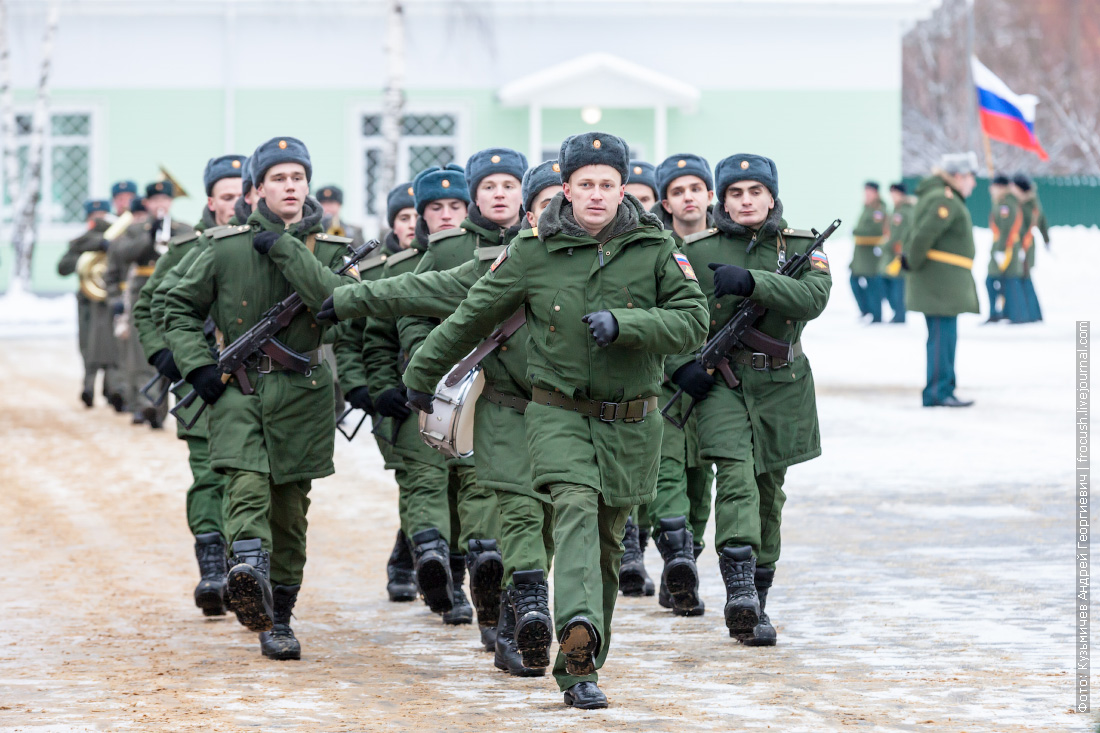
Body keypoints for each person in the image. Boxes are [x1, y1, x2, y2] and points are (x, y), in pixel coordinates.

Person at [398, 132, 708, 708]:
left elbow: (693, 321)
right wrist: (423, 375)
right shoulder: (533, 251)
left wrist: (628, 325)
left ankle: (587, 646)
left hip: (633, 423)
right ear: (565, 189)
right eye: (584, 184)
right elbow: (472, 316)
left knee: (609, 544)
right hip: (557, 414)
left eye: (607, 185)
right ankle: (579, 662)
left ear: (623, 189)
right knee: (573, 515)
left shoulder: (656, 249)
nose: (596, 195)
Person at [320, 159, 568, 677]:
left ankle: (506, 601)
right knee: (506, 510)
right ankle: (510, 614)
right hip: (501, 405)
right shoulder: (503, 260)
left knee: (545, 521)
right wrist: (348, 301)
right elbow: (418, 296)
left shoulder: (603, 260)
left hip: (569, 419)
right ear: (528, 214)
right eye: (541, 206)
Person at [164, 136, 358, 660]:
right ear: (256, 190)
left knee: (291, 513)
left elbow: (336, 306)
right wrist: (198, 364)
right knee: (246, 486)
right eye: (278, 178)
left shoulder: (335, 255)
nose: (290, 186)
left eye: (298, 177)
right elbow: (174, 305)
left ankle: (281, 618)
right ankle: (248, 573)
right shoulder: (225, 248)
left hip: (304, 393)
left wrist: (288, 249)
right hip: (239, 390)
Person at [669, 154, 831, 647]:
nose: (745, 201)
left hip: (782, 386)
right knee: (735, 474)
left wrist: (755, 282)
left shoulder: (802, 247)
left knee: (768, 491)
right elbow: (670, 310)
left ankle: (758, 600)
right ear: (722, 199)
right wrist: (678, 365)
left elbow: (814, 300)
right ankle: (738, 591)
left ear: (771, 196)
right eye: (735, 193)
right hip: (721, 384)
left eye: (754, 192)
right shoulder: (695, 250)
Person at [399, 148, 529, 643]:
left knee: (521, 500)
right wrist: (424, 360)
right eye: (489, 186)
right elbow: (412, 307)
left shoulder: (544, 243)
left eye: (509, 185)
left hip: (527, 395)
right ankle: (492, 612)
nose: (499, 194)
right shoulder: (450, 249)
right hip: (466, 391)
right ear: (474, 195)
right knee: (478, 491)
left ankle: (511, 601)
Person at [132, 154, 245, 618]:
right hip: (200, 380)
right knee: (207, 473)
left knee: (250, 477)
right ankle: (214, 567)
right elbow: (148, 308)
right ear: (210, 202)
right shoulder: (184, 250)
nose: (236, 204)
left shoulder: (266, 244)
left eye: (243, 195)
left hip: (253, 381)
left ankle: (247, 565)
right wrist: (166, 354)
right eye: (227, 197)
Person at [360, 165, 468, 620]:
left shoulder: (494, 260)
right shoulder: (399, 270)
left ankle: (453, 579)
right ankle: (428, 559)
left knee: (466, 492)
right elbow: (374, 340)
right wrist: (379, 387)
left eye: (455, 206)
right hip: (415, 400)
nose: (445, 215)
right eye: (434, 209)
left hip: (475, 401)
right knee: (425, 483)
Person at [332, 181, 420, 604]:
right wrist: (359, 387)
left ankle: (410, 555)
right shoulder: (373, 275)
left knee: (449, 487)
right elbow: (350, 340)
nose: (412, 224)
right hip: (394, 398)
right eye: (404, 217)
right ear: (392, 225)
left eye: (416, 217)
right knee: (418, 479)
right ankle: (410, 561)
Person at [106, 180, 194, 427]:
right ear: (147, 203)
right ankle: (143, 405)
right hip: (141, 293)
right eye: (155, 201)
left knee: (169, 351)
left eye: (164, 200)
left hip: (173, 295)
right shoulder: (134, 230)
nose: (160, 205)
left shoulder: (183, 229)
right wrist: (148, 234)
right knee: (141, 351)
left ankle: (158, 410)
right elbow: (123, 255)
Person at [901, 152, 980, 408]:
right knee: (941, 339)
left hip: (942, 284)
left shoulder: (943, 197)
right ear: (957, 177)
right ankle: (937, 392)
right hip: (939, 285)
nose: (973, 183)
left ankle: (944, 387)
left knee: (944, 338)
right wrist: (912, 262)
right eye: (970, 177)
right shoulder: (944, 200)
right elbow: (924, 236)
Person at [57, 199, 114, 407]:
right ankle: (88, 387)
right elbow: (62, 268)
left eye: (102, 216)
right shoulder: (80, 242)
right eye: (94, 217)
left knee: (112, 344)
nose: (98, 221)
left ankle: (112, 388)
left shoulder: (116, 238)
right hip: (87, 301)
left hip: (110, 299)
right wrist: (84, 256)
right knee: (88, 344)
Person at [984, 174, 1023, 324]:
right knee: (1003, 282)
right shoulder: (1002, 202)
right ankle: (1004, 312)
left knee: (998, 281)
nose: (990, 189)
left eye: (993, 186)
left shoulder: (1005, 203)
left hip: (1006, 248)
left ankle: (1004, 313)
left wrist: (1000, 250)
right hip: (1004, 246)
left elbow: (1006, 228)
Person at [849, 181, 888, 323]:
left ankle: (876, 315)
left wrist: (856, 231)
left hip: (871, 254)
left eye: (869, 192)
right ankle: (866, 310)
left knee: (873, 285)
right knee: (854, 281)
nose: (866, 195)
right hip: (860, 254)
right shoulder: (867, 208)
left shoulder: (878, 209)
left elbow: (875, 229)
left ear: (876, 193)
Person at [1013, 174, 1047, 323]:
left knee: (1025, 279)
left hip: (1025, 246)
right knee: (1022, 279)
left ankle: (1032, 314)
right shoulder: (1020, 202)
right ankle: (1029, 313)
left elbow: (1038, 222)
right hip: (1020, 246)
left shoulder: (1028, 204)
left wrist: (1047, 240)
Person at [881, 182, 913, 322]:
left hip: (900, 252)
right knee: (891, 282)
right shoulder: (897, 209)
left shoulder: (904, 211)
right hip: (894, 252)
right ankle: (898, 312)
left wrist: (886, 246)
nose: (893, 197)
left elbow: (903, 232)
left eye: (895, 193)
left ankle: (900, 314)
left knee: (898, 285)